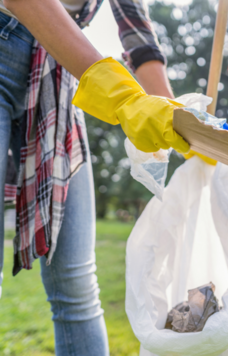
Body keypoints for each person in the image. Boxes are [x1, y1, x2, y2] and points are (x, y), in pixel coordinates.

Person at [0, 0, 189, 354]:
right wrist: (123, 98)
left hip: (57, 75)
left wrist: (183, 124)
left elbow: (139, 34)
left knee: (77, 284)